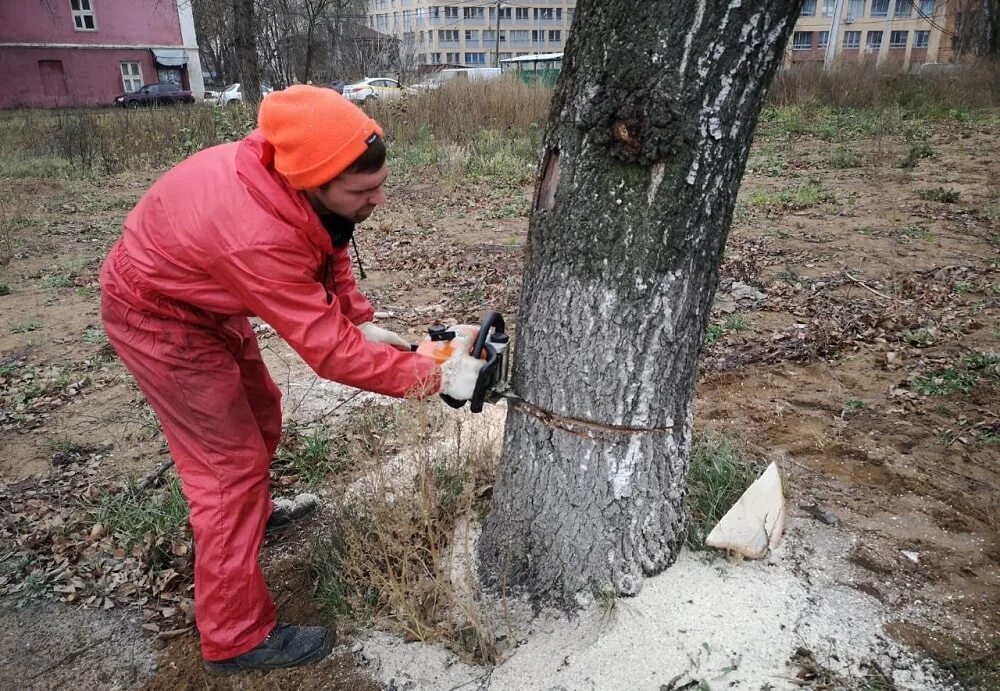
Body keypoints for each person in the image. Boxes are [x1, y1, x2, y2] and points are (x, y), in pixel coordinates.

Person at [98, 85, 483, 675]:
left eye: (379, 184)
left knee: (261, 412)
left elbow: (329, 242)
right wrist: (437, 377)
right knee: (226, 469)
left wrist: (360, 318)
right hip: (157, 315)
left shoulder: (295, 179)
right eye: (363, 191)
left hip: (204, 301)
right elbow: (329, 355)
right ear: (317, 180)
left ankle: (252, 514)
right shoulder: (255, 232)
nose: (377, 199)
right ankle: (234, 637)